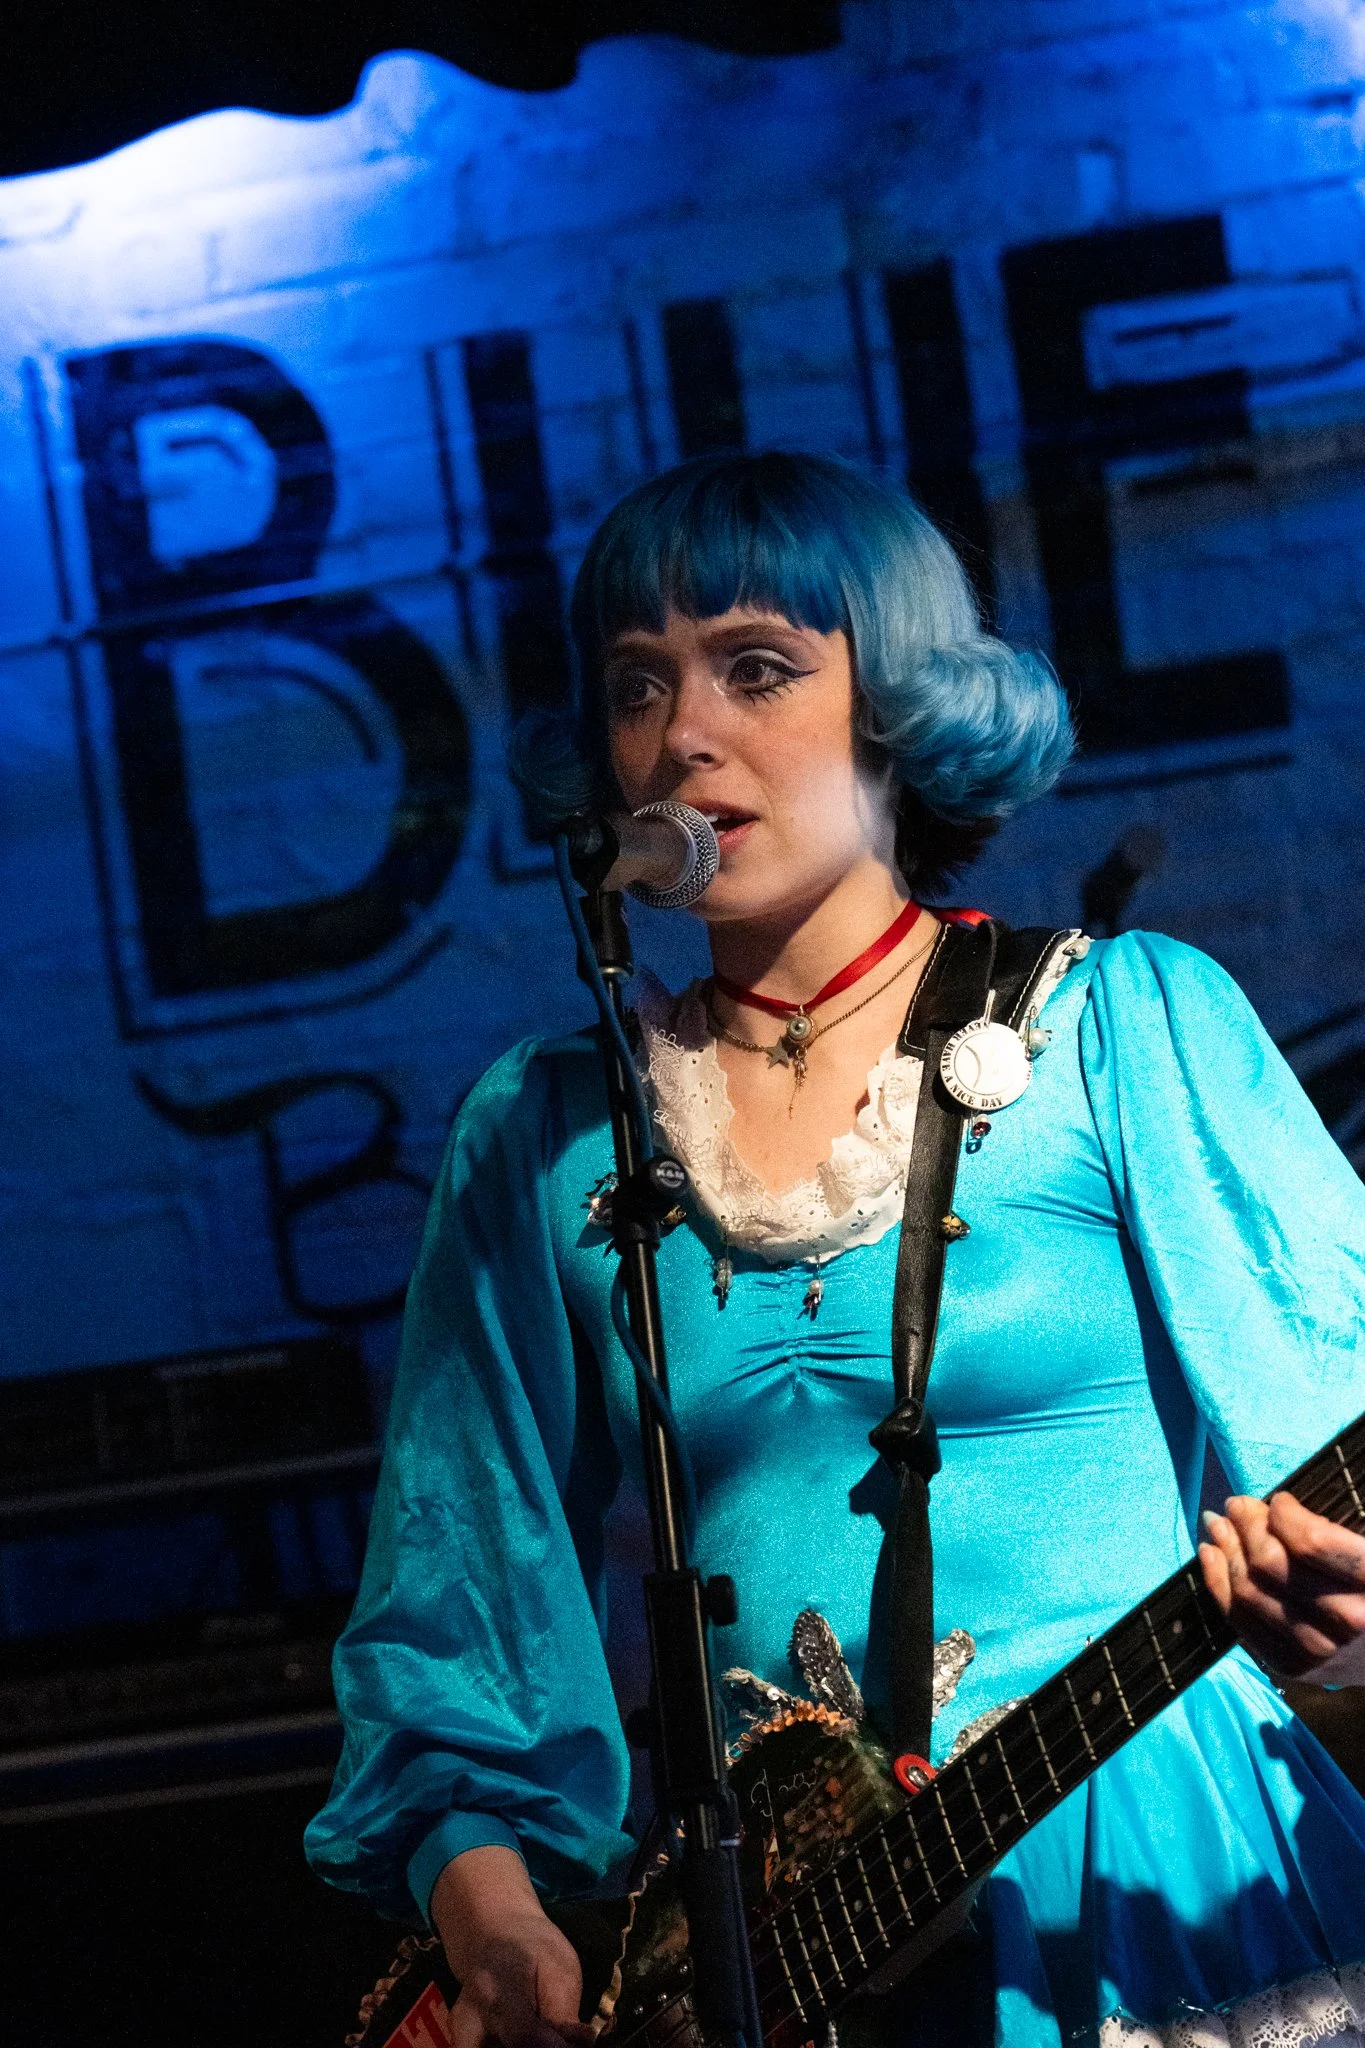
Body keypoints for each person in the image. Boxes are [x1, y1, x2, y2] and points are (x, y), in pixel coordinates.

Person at [306, 453, 1365, 2048]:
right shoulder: (548, 1137)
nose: (684, 734)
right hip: (775, 1968)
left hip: (1143, 1879)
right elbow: (455, 1620)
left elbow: (1339, 1469)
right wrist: (501, 1924)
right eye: (637, 684)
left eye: (757, 668)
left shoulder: (1120, 1027)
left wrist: (1339, 1616)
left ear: (901, 700)